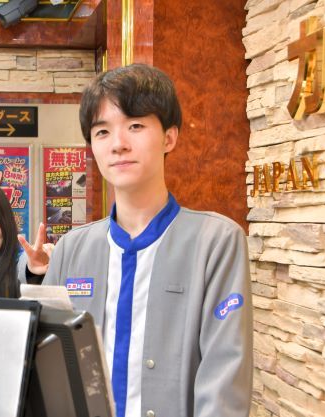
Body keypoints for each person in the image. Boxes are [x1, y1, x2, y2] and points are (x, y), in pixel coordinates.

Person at [43, 64, 252, 417]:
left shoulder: (216, 242)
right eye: (102, 132)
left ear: (169, 138)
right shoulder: (71, 249)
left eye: (135, 126)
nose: (118, 144)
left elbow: (224, 381)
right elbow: (48, 366)